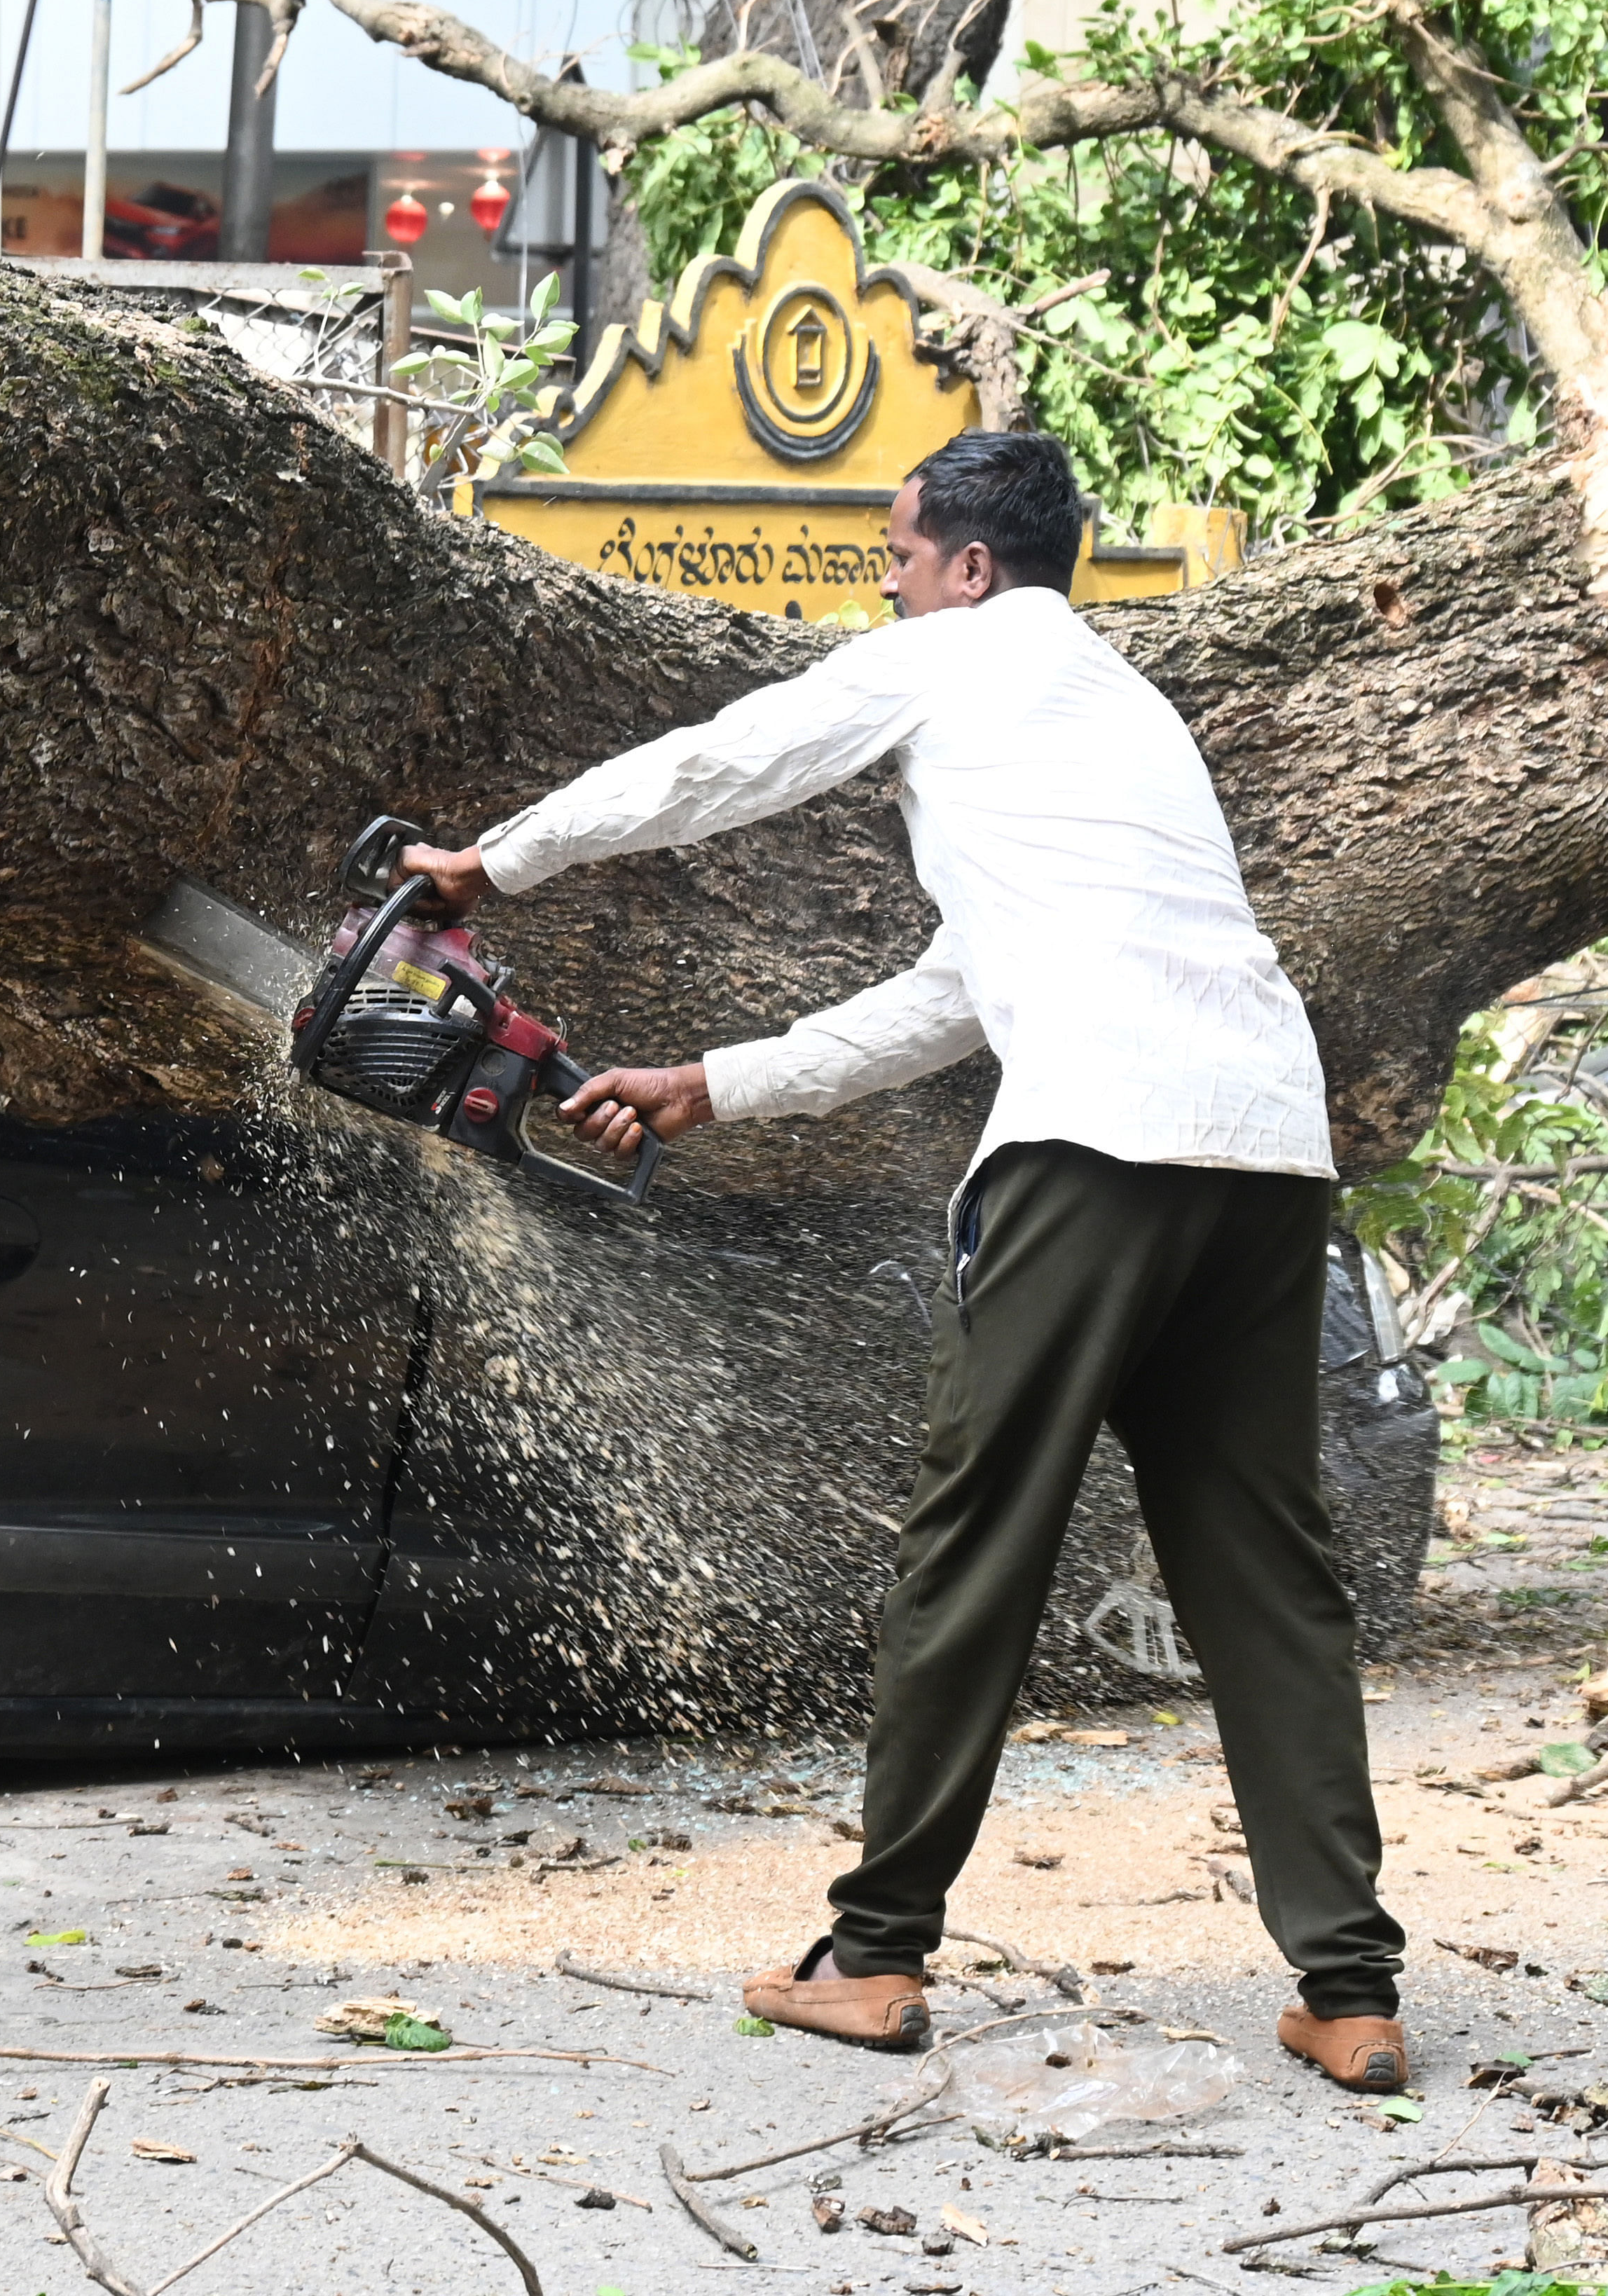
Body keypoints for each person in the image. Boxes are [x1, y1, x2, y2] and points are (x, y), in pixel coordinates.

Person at [399, 428, 1409, 2096]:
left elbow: (727, 759)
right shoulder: (1121, 715)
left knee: (973, 1543)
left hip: (1096, 1146)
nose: (881, 577)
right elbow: (955, 989)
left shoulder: (961, 655)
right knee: (1265, 1566)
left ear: (967, 566)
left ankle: (873, 1958)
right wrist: (715, 1082)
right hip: (1263, 1154)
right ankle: (1350, 1987)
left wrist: (491, 859)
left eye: (894, 552)